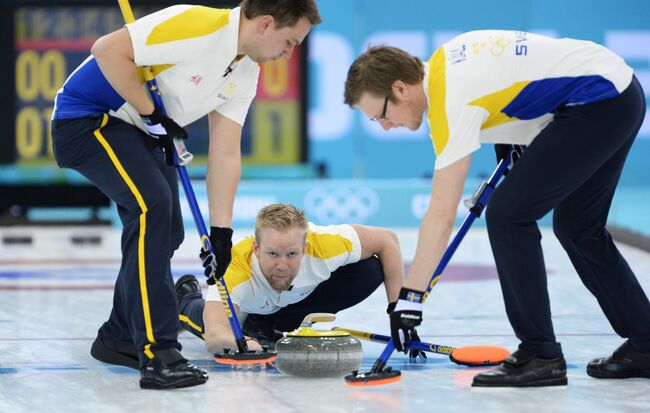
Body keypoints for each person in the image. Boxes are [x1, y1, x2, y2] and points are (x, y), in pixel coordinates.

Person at [343, 30, 650, 387]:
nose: (384, 125)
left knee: (508, 216)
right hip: (618, 94)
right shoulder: (446, 66)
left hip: (598, 100)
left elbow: (441, 215)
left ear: (399, 89)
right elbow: (515, 81)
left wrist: (410, 298)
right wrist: (511, 143)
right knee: (577, 227)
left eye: (380, 114)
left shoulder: (449, 99)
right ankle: (645, 343)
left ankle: (541, 354)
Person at [51, 0, 321, 389]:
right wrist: (151, 113)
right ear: (265, 24)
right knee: (153, 210)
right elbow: (107, 50)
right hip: (88, 117)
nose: (289, 52)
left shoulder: (246, 71)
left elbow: (226, 152)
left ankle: (118, 337)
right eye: (290, 40)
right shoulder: (197, 24)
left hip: (138, 128)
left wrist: (221, 233)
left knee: (168, 231)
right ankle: (158, 352)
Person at [175, 203, 410, 356]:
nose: (282, 265)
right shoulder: (236, 269)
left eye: (292, 254)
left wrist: (397, 310)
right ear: (256, 249)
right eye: (273, 254)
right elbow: (216, 334)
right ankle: (185, 298)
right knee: (205, 324)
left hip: (293, 302)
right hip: (246, 310)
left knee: (370, 269)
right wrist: (246, 343)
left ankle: (272, 324)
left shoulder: (324, 244)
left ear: (305, 248)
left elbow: (387, 241)